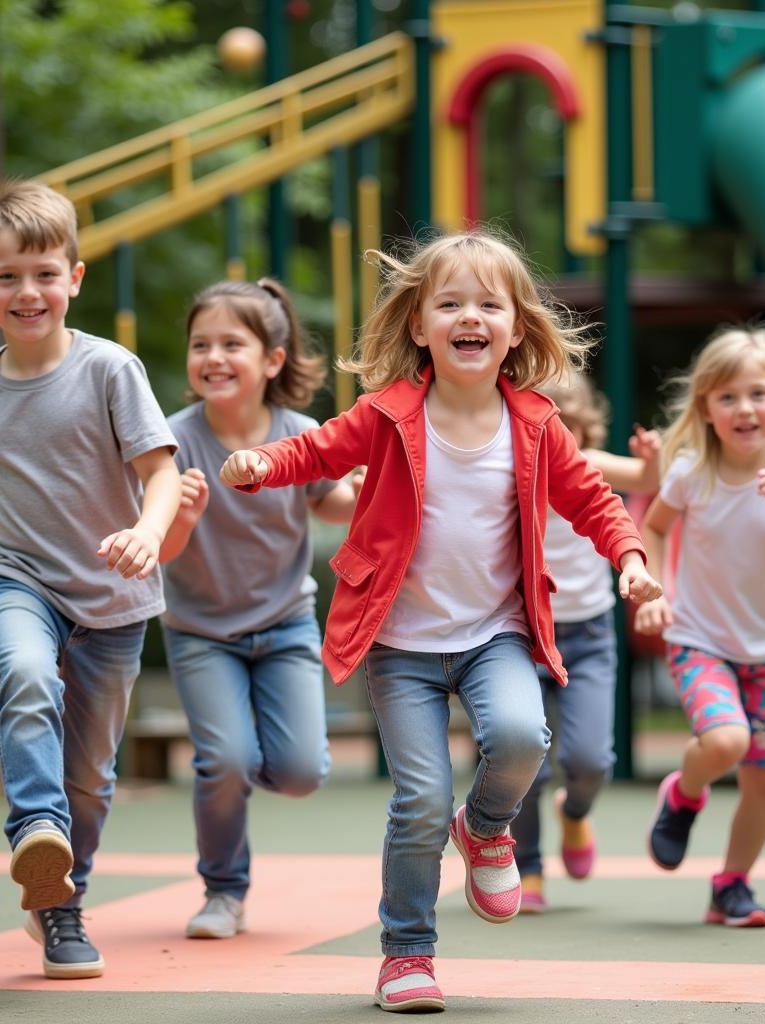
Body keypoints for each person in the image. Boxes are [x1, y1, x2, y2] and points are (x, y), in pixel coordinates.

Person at [220, 230, 662, 1013]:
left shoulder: (534, 424)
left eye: (489, 304)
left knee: (526, 739)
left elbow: (593, 502)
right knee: (418, 800)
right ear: (420, 325)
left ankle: (487, 826)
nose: (470, 316)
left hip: (495, 635)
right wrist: (262, 465)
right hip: (399, 644)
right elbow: (319, 451)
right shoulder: (388, 414)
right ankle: (407, 955)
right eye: (449, 303)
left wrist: (629, 557)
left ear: (515, 328)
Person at [0, 179, 181, 979]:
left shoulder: (111, 370)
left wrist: (146, 530)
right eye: (7, 277)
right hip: (14, 574)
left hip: (111, 592)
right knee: (28, 676)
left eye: (42, 273)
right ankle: (38, 833)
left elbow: (162, 471)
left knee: (93, 779)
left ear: (74, 276)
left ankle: (61, 898)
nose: (26, 292)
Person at [158, 279, 359, 939]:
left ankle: (243, 760)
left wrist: (356, 494)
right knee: (225, 761)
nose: (213, 357)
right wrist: (182, 515)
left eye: (231, 344)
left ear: (272, 359)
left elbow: (323, 502)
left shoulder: (301, 435)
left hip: (284, 627)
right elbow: (160, 548)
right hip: (202, 634)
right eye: (200, 345)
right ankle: (223, 889)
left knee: (301, 773)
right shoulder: (174, 441)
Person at [634, 324, 765, 928]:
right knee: (729, 742)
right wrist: (653, 587)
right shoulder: (691, 471)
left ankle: (730, 885)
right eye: (727, 397)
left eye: (757, 394)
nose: (744, 408)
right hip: (700, 639)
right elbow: (652, 528)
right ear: (706, 408)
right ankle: (685, 792)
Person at [513, 370, 661, 913]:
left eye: (565, 426)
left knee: (590, 757)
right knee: (522, 756)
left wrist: (652, 458)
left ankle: (574, 812)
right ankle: (527, 865)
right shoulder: (508, 468)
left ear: (580, 429)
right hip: (524, 631)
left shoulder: (587, 465)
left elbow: (649, 478)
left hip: (589, 633)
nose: (552, 437)